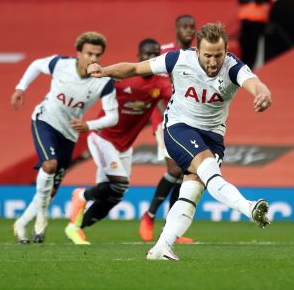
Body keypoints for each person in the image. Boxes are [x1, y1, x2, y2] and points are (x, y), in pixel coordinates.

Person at [88, 22, 272, 260]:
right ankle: (249, 208)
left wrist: (263, 93)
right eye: (208, 56)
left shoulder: (233, 66)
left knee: (192, 191)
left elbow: (255, 84)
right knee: (208, 169)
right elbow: (134, 69)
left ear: (226, 52)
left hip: (213, 135)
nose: (214, 62)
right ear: (197, 52)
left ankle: (161, 248)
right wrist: (104, 71)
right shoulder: (177, 59)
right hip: (179, 128)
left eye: (219, 55)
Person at [10, 31, 118, 244]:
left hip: (69, 135)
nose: (93, 59)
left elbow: (113, 116)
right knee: (50, 165)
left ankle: (21, 223)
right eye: (89, 53)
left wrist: (89, 125)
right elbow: (35, 65)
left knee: (48, 192)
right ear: (79, 53)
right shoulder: (60, 64)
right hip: (45, 121)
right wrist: (20, 88)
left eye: (98, 55)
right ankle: (42, 217)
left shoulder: (103, 82)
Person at [65, 38, 171, 244]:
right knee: (119, 182)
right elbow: (94, 86)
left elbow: (176, 98)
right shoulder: (123, 77)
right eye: (147, 54)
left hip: (124, 145)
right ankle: (81, 196)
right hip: (103, 137)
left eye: (155, 54)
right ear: (138, 57)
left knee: (116, 194)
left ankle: (75, 227)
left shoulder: (161, 82)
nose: (152, 58)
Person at [140, 14, 197, 243]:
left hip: (187, 119)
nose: (189, 30)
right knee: (174, 170)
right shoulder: (163, 52)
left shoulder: (197, 54)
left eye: (192, 27)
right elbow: (144, 73)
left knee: (184, 173)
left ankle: (171, 228)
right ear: (176, 29)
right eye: (184, 26)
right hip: (163, 119)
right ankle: (149, 215)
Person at [237, 0, 271, 69]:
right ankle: (243, 63)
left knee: (254, 44)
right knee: (244, 42)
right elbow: (241, 0)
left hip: (258, 23)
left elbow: (263, 0)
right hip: (246, 21)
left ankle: (250, 65)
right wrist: (253, 0)